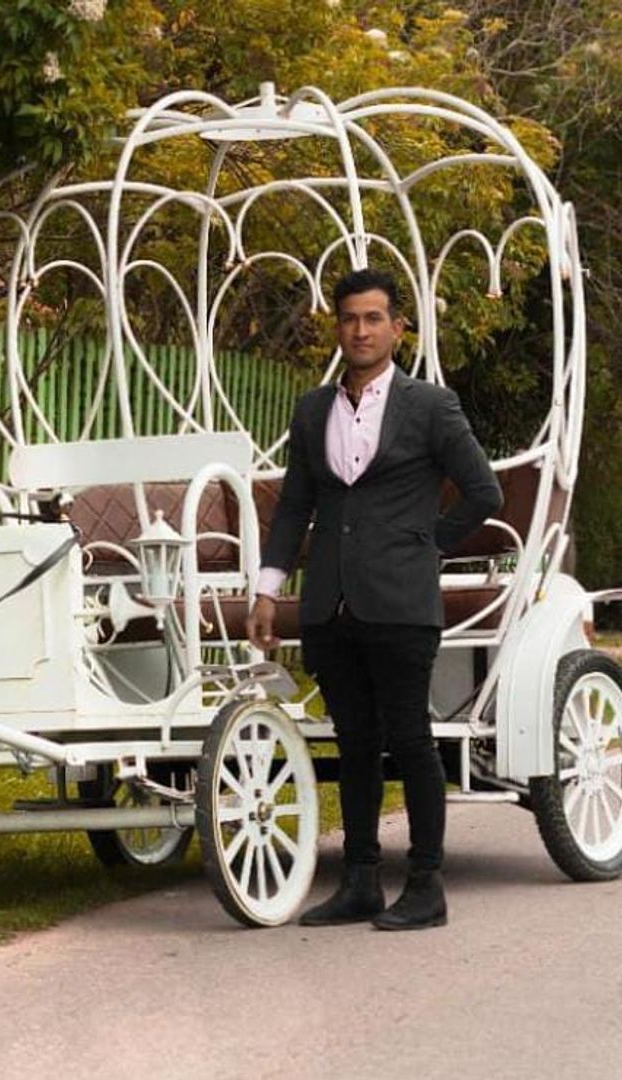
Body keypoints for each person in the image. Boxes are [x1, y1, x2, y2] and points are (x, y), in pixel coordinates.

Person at [246, 268, 502, 930]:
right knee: (354, 743)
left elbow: (483, 492)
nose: (361, 330)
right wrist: (270, 590)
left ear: (397, 327)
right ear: (338, 327)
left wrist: (427, 545)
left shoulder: (430, 406)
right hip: (329, 604)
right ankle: (360, 879)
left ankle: (426, 884)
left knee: (412, 741)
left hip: (401, 603)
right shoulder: (311, 410)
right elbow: (296, 505)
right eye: (350, 319)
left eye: (373, 318)